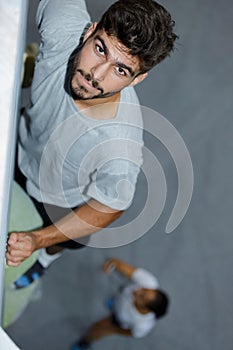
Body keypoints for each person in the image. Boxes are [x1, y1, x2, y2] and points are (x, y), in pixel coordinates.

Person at [6, 0, 178, 288]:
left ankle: (47, 258)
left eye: (121, 70)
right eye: (100, 49)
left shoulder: (119, 146)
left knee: (69, 240)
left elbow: (111, 205)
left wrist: (38, 239)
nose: (95, 75)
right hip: (18, 146)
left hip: (60, 200)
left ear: (138, 79)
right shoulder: (64, 29)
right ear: (90, 31)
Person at [72, 257, 169, 349]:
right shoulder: (149, 282)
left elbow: (132, 333)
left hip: (118, 319)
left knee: (95, 330)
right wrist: (112, 263)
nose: (138, 290)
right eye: (144, 290)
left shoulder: (142, 324)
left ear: (145, 308)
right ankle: (113, 304)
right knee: (117, 300)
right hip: (120, 301)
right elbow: (122, 265)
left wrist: (113, 329)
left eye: (141, 296)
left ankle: (85, 342)